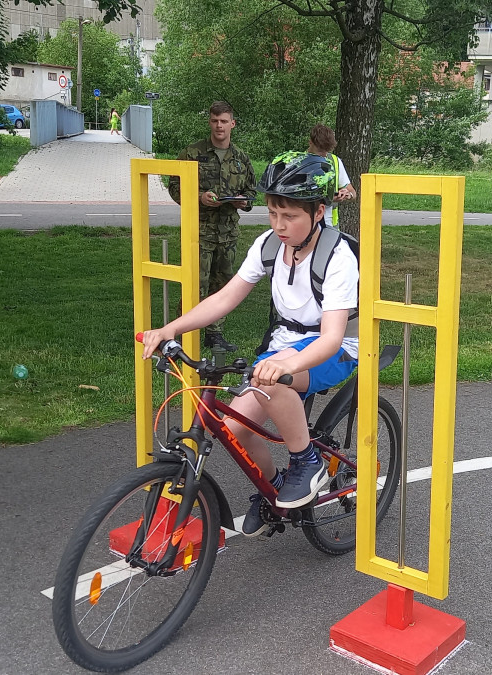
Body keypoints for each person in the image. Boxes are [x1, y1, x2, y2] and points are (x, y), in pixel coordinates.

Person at [142, 153, 358, 535]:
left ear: (319, 211)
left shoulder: (338, 256)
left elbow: (331, 337)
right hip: (285, 345)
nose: (279, 225)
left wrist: (287, 365)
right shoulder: (269, 245)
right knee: (234, 429)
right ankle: (273, 489)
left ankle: (307, 461)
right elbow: (224, 298)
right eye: (273, 213)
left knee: (273, 379)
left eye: (289, 216)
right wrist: (169, 329)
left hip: (336, 347)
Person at [167, 101, 258, 353]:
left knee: (223, 285)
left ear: (232, 124)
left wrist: (243, 202)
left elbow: (252, 190)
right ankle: (182, 334)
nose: (219, 126)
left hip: (228, 232)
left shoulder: (240, 158)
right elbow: (174, 186)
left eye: (224, 121)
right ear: (210, 122)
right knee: (195, 283)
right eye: (215, 120)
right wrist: (199, 197)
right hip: (200, 232)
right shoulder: (192, 153)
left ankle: (214, 333)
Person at [306, 123, 356, 227]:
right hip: (306, 223)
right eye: (320, 151)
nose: (324, 155)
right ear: (310, 142)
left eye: (327, 151)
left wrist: (347, 194)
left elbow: (353, 193)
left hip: (330, 225)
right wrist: (327, 198)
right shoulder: (299, 163)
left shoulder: (335, 161)